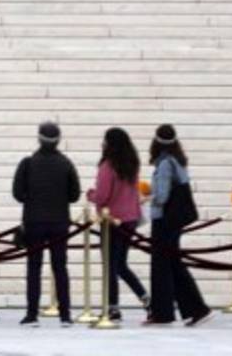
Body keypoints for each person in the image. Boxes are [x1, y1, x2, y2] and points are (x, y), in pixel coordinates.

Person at [12, 121, 80, 327]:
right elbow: (75, 195)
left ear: (39, 138)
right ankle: (65, 314)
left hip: (34, 221)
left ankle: (32, 314)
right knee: (60, 267)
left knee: (34, 268)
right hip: (59, 221)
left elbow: (17, 193)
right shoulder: (66, 163)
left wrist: (32, 199)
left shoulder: (28, 163)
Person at [146, 124, 212, 327]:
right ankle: (196, 308)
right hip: (175, 220)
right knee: (174, 264)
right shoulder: (178, 161)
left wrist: (148, 197)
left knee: (162, 267)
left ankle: (163, 313)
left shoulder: (165, 164)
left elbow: (163, 195)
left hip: (164, 220)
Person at [87, 127, 148, 321]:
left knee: (110, 266)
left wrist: (91, 195)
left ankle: (112, 307)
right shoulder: (132, 164)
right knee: (120, 264)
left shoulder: (107, 166)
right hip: (130, 219)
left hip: (111, 220)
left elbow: (103, 195)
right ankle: (146, 299)